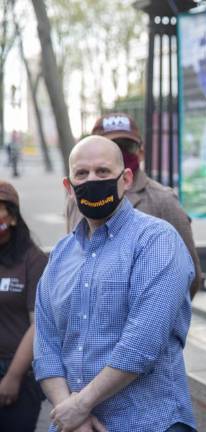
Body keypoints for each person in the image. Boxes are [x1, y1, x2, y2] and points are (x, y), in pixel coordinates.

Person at [34, 136, 196, 432]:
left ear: (126, 179)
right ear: (69, 188)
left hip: (149, 423)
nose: (92, 180)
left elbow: (142, 342)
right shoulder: (60, 256)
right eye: (81, 174)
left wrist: (79, 406)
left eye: (103, 172)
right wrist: (73, 417)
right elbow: (46, 347)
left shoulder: (156, 241)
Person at [65, 113, 202, 298]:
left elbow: (189, 274)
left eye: (127, 146)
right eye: (113, 146)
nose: (121, 152)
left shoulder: (163, 201)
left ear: (141, 151)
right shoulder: (76, 200)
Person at [0, 180, 47, 431]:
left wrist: (14, 376)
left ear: (13, 218)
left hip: (16, 376)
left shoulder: (33, 260)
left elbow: (38, 324)